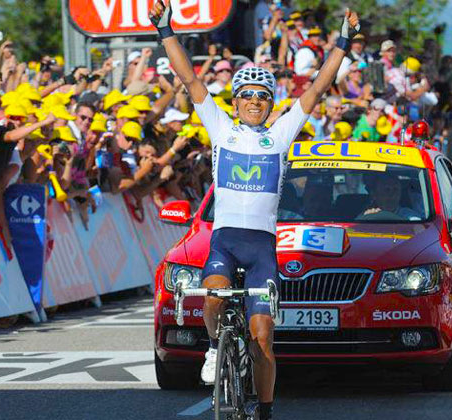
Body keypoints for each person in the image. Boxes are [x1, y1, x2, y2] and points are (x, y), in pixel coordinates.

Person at [149, 1, 360, 418]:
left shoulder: (281, 134)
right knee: (210, 298)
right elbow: (189, 77)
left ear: (270, 102)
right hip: (224, 241)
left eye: (262, 96)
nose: (254, 102)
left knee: (263, 337)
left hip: (263, 247)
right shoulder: (221, 128)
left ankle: (264, 409)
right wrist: (164, 29)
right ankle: (214, 348)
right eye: (246, 95)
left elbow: (317, 88)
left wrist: (344, 40)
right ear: (235, 99)